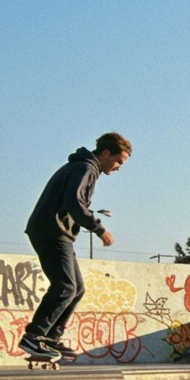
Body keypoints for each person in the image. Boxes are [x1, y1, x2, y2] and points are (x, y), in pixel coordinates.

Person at [20, 132, 131, 362]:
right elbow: (74, 202)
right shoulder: (85, 168)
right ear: (106, 153)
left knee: (77, 288)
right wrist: (99, 228)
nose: (119, 167)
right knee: (65, 286)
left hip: (57, 232)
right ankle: (34, 336)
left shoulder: (85, 167)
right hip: (51, 231)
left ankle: (50, 337)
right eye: (119, 161)